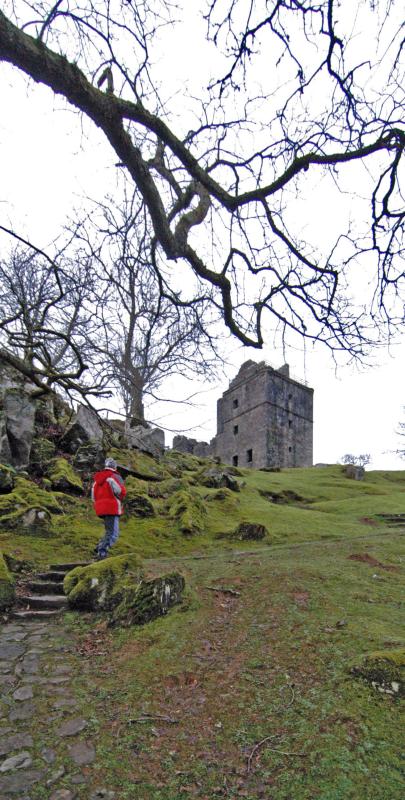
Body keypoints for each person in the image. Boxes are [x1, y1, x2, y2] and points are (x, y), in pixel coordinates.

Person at [92, 457, 127, 560]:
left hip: (100, 508)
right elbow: (121, 491)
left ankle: (99, 548)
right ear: (114, 467)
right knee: (113, 534)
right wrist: (119, 500)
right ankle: (101, 552)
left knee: (109, 531)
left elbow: (93, 497)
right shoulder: (115, 476)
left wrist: (100, 504)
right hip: (112, 507)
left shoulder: (96, 480)